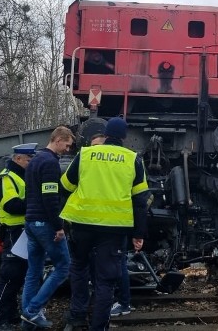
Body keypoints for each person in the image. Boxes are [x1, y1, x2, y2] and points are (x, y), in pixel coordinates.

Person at [61, 117, 150, 331]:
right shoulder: (133, 159)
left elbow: (65, 187)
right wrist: (139, 234)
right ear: (124, 137)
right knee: (106, 280)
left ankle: (77, 316)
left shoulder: (85, 154)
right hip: (114, 229)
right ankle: (98, 326)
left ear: (105, 133)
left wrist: (62, 222)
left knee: (79, 268)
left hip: (81, 224)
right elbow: (140, 201)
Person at [20, 126, 75, 329]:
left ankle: (28, 322)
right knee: (63, 267)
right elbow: (50, 198)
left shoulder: (34, 160)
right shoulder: (51, 163)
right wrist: (58, 226)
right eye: (67, 145)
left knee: (33, 272)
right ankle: (33, 310)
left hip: (31, 223)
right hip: (45, 223)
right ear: (58, 139)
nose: (67, 150)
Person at [0, 143, 36, 331]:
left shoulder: (20, 176)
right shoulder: (6, 178)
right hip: (13, 231)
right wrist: (36, 203)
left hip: (23, 231)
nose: (31, 162)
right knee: (9, 277)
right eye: (28, 159)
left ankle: (12, 314)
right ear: (17, 159)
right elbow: (12, 205)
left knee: (18, 276)